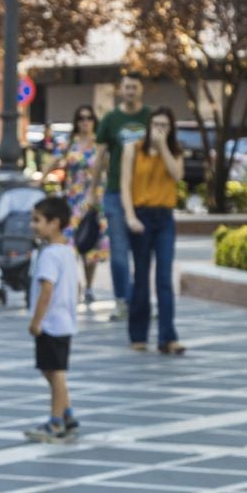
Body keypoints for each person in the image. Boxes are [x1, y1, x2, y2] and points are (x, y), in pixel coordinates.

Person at [119, 105, 186, 356]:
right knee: (141, 279)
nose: (159, 129)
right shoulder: (133, 149)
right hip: (141, 215)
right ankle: (138, 334)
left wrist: (164, 147)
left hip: (164, 217)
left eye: (165, 126)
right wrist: (130, 216)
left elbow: (176, 175)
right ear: (148, 126)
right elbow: (125, 185)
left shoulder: (175, 151)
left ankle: (168, 337)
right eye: (156, 125)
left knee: (164, 278)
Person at [91, 76, 151, 319]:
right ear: (120, 91)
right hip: (115, 192)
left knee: (143, 252)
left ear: (141, 90)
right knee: (118, 250)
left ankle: (141, 300)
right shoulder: (110, 120)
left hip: (145, 194)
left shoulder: (149, 117)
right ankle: (122, 301)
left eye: (134, 87)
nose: (130, 91)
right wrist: (92, 190)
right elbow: (100, 157)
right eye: (126, 87)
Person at [24, 196, 78, 443]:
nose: (33, 225)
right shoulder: (67, 251)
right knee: (52, 370)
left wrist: (37, 321)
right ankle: (67, 414)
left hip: (51, 324)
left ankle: (56, 422)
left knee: (55, 373)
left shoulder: (49, 255)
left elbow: (47, 289)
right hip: (63, 321)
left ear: (54, 223)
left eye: (37, 220)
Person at [52, 105, 104, 305]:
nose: (85, 121)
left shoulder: (100, 144)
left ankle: (89, 287)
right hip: (73, 199)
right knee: (71, 244)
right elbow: (55, 159)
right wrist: (40, 180)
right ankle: (75, 285)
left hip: (93, 200)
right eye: (81, 118)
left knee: (90, 244)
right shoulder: (69, 144)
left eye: (89, 118)